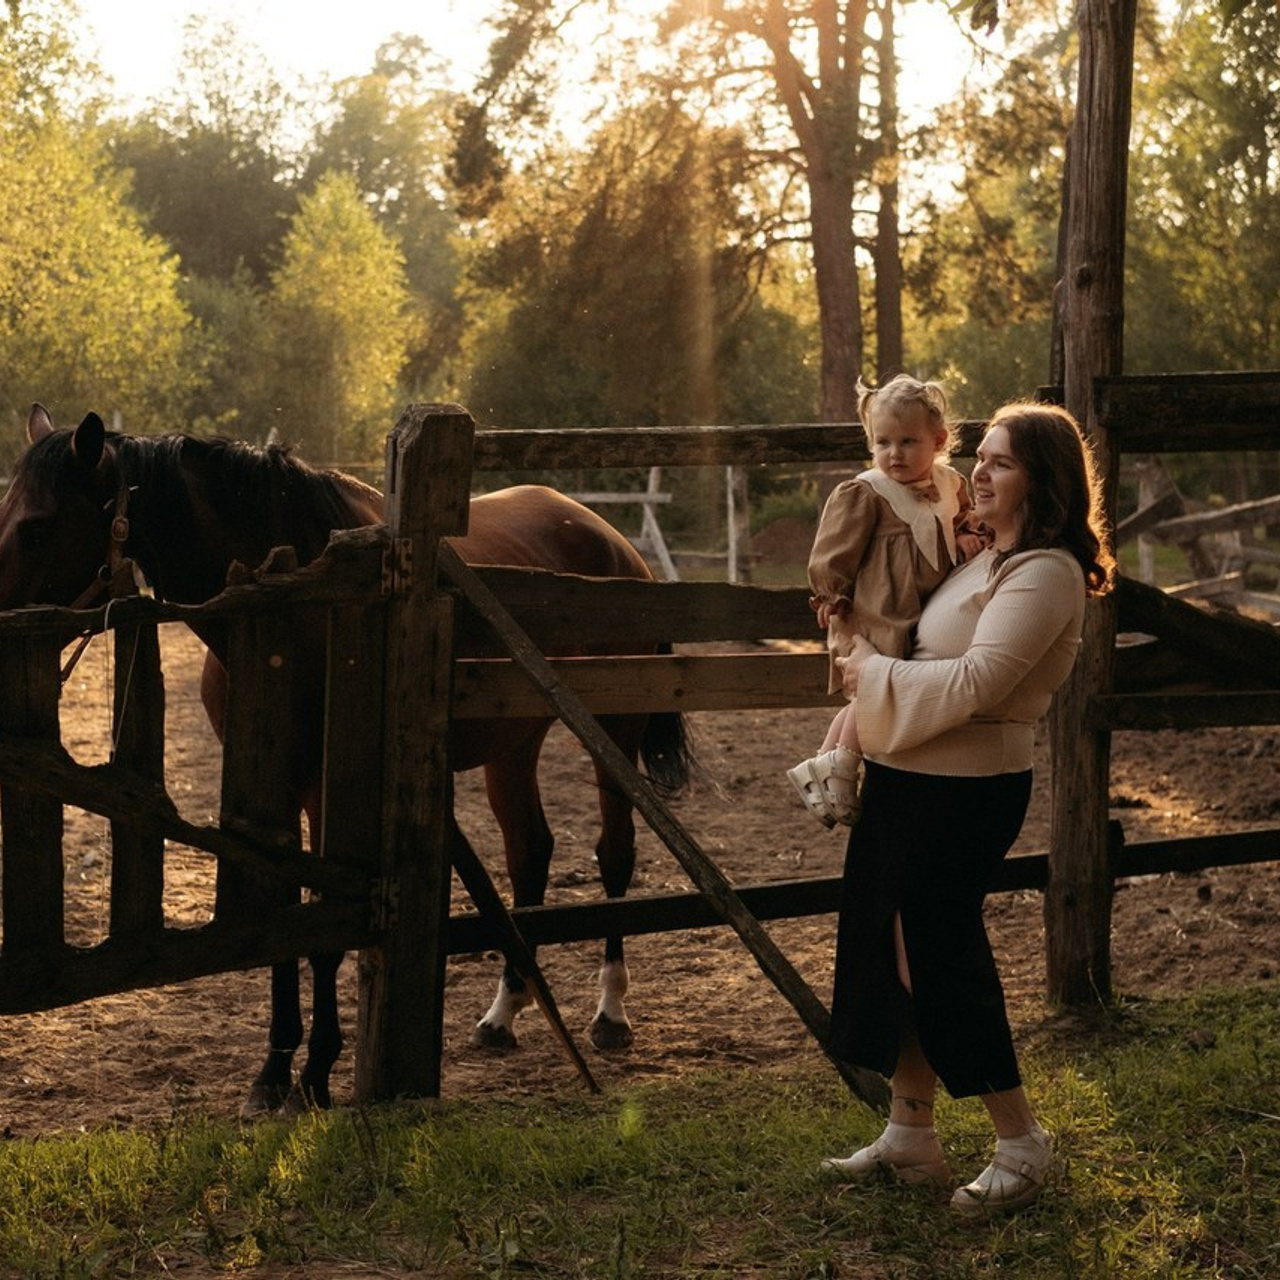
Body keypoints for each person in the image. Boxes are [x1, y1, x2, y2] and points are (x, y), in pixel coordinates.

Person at [819, 400, 1115, 1215]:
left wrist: (870, 676)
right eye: (980, 456)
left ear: (1043, 479)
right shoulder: (982, 560)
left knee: (939, 957)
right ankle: (910, 1131)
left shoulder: (1045, 573)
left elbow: (981, 682)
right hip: (905, 780)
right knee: (892, 950)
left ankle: (1021, 1141)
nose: (977, 473)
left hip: (965, 793)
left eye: (1001, 462)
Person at [787, 375, 984, 829]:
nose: (894, 453)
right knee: (878, 686)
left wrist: (965, 535)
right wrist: (831, 593)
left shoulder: (950, 484)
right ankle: (842, 762)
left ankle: (826, 761)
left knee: (884, 691)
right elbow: (834, 548)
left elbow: (963, 520)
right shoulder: (866, 491)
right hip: (882, 610)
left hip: (929, 604)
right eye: (883, 442)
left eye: (908, 441)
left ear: (938, 442)